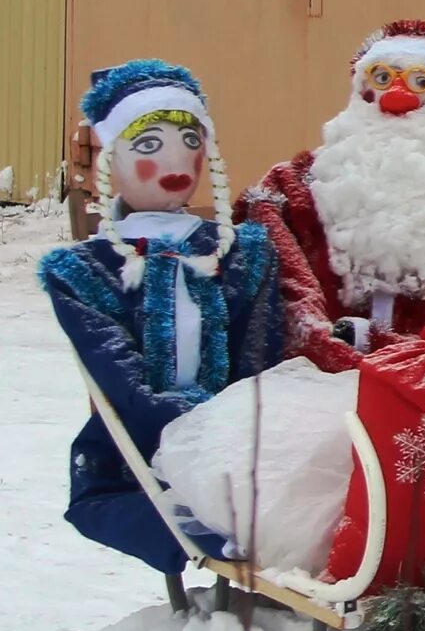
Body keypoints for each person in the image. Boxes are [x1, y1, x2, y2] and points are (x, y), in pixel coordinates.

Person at [39, 61, 282, 595]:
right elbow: (118, 377)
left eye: (189, 140)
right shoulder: (85, 271)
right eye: (149, 145)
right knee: (125, 502)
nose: (175, 161)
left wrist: (239, 427)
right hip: (137, 449)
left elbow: (260, 357)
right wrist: (193, 426)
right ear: (112, 159)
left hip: (244, 443)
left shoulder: (241, 254)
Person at [239, 20, 425, 370]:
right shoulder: (289, 191)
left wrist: (380, 345)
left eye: (422, 82)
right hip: (312, 384)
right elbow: (283, 298)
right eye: (382, 78)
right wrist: (328, 344)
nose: (397, 99)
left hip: (424, 390)